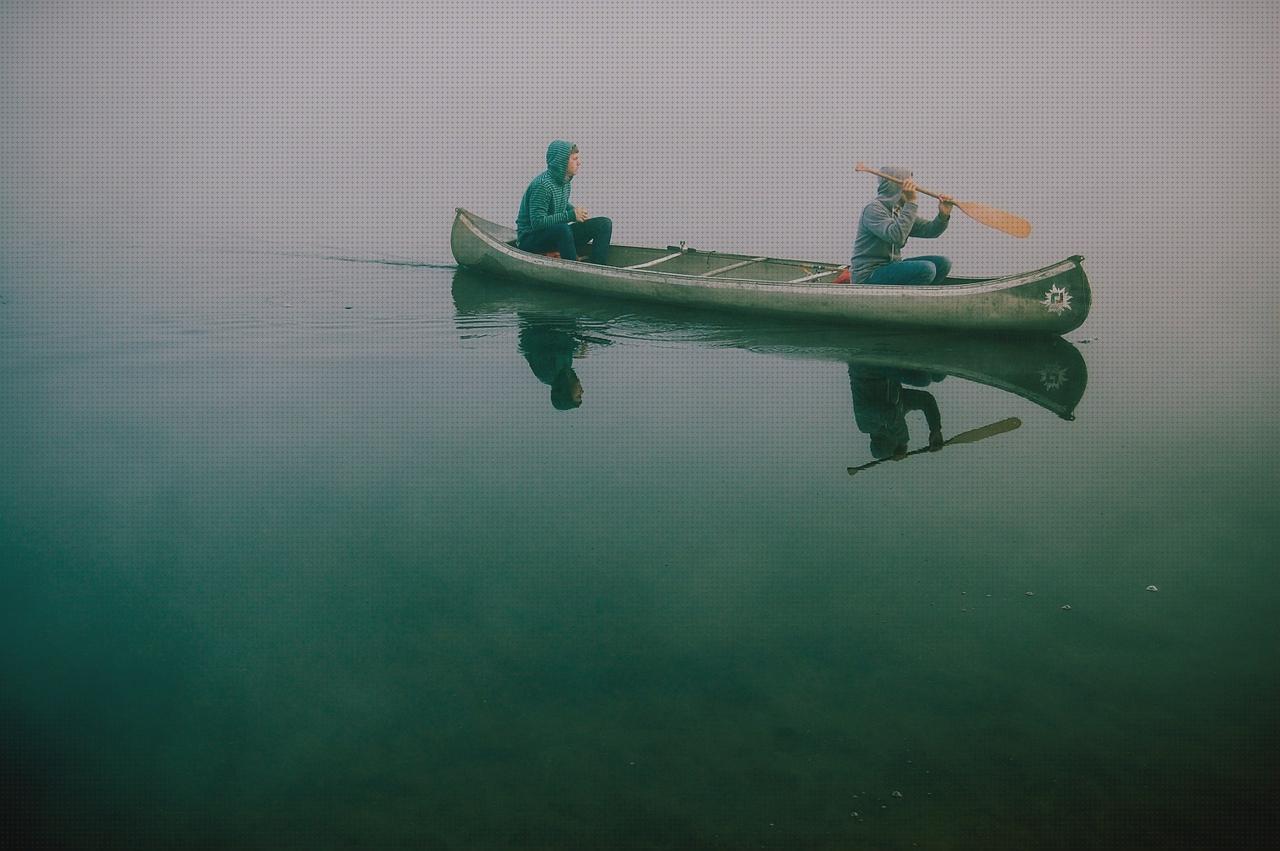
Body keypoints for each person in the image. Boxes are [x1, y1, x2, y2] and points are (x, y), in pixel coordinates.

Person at [850, 166, 955, 285]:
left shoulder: (899, 211)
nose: (914, 190)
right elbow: (896, 236)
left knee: (943, 263)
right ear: (895, 187)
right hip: (869, 274)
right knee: (927, 269)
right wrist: (911, 203)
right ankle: (910, 300)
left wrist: (943, 215)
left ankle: (923, 296)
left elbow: (930, 231)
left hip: (891, 266)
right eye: (908, 186)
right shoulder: (873, 210)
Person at [515, 140, 612, 264]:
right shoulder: (542, 185)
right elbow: (537, 222)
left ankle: (598, 267)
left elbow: (560, 203)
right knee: (562, 229)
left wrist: (574, 212)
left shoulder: (565, 182)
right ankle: (574, 269)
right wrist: (571, 216)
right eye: (575, 159)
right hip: (530, 240)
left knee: (604, 224)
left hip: (553, 235)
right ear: (562, 161)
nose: (579, 163)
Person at [848, 365, 944, 459]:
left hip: (865, 370)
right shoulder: (899, 406)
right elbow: (926, 400)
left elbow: (889, 414)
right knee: (938, 375)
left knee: (923, 379)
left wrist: (903, 442)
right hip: (887, 371)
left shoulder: (866, 425)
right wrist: (935, 429)